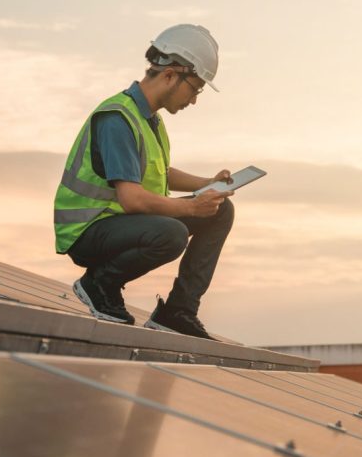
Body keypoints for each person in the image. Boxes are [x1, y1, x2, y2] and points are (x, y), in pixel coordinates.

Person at [53, 24, 235, 339]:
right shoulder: (117, 118)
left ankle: (178, 311)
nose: (193, 100)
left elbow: (160, 172)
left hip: (122, 224)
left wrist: (207, 185)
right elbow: (133, 199)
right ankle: (99, 284)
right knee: (172, 232)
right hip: (89, 230)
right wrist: (191, 208)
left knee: (221, 210)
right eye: (194, 88)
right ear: (170, 75)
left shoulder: (149, 119)